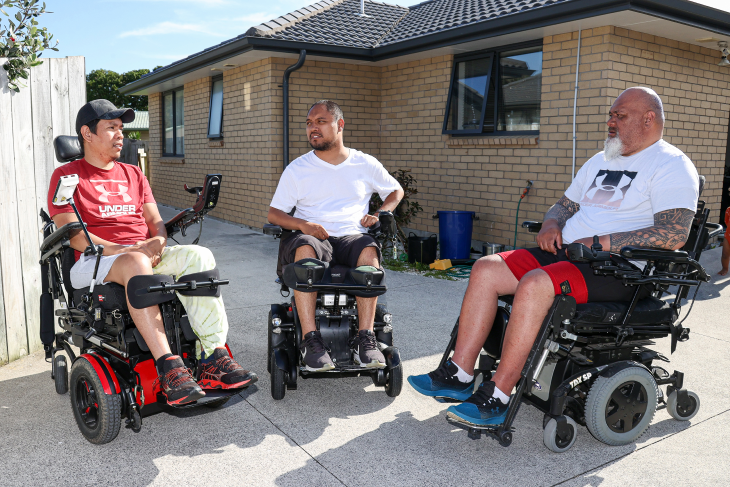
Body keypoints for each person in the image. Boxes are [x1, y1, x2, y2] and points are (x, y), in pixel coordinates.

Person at [409, 87, 700, 426]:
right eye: (611, 115)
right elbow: (564, 205)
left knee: (534, 284)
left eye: (619, 116)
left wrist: (604, 242)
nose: (610, 122)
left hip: (619, 270)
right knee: (487, 267)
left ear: (649, 119)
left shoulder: (672, 165)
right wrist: (551, 223)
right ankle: (459, 374)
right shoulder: (603, 159)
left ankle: (499, 394)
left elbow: (674, 233)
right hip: (568, 253)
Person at [48, 99, 257, 406]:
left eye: (121, 128)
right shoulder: (67, 176)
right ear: (87, 134)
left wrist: (157, 243)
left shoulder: (133, 174)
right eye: (111, 128)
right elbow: (73, 235)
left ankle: (213, 355)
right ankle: (169, 367)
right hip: (94, 259)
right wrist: (129, 250)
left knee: (199, 256)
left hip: (140, 254)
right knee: (134, 260)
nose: (121, 135)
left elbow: (155, 222)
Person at [268, 100, 404, 372]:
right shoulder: (297, 168)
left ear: (339, 125)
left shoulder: (364, 163)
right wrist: (304, 225)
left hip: (351, 236)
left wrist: (380, 213)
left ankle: (364, 338)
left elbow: (395, 190)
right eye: (309, 123)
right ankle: (310, 340)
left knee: (369, 249)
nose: (312, 128)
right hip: (314, 238)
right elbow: (274, 214)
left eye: (320, 121)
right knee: (305, 248)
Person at [720, 205, 729, 276]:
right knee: (725, 254)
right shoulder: (729, 210)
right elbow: (726, 221)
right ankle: (725, 268)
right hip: (728, 235)